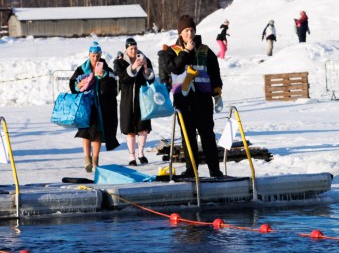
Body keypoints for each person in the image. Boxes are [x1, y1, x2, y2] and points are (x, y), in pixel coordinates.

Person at [158, 14, 224, 179]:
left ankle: (214, 170)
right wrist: (186, 51)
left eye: (191, 30)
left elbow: (215, 73)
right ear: (180, 33)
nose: (189, 33)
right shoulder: (171, 51)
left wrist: (217, 94)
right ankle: (191, 169)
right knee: (188, 137)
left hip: (203, 100)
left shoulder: (205, 51)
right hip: (183, 101)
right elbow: (173, 69)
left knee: (207, 135)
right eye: (186, 30)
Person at [69, 41, 120, 173]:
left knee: (97, 133)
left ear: (101, 55)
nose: (95, 58)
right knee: (86, 133)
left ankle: (95, 161)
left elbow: (114, 87)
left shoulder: (107, 69)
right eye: (92, 55)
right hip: (86, 106)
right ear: (89, 55)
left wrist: (104, 77)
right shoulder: (81, 69)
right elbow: (73, 84)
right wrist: (79, 85)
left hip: (100, 107)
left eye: (97, 55)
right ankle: (87, 160)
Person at [113, 37, 154, 166]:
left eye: (135, 48)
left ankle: (141, 153)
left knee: (143, 128)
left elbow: (151, 79)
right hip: (127, 99)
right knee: (130, 129)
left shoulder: (144, 59)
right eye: (131, 49)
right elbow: (123, 79)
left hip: (142, 98)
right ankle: (132, 157)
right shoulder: (119, 62)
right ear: (126, 49)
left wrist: (146, 67)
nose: (134, 51)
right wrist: (134, 67)